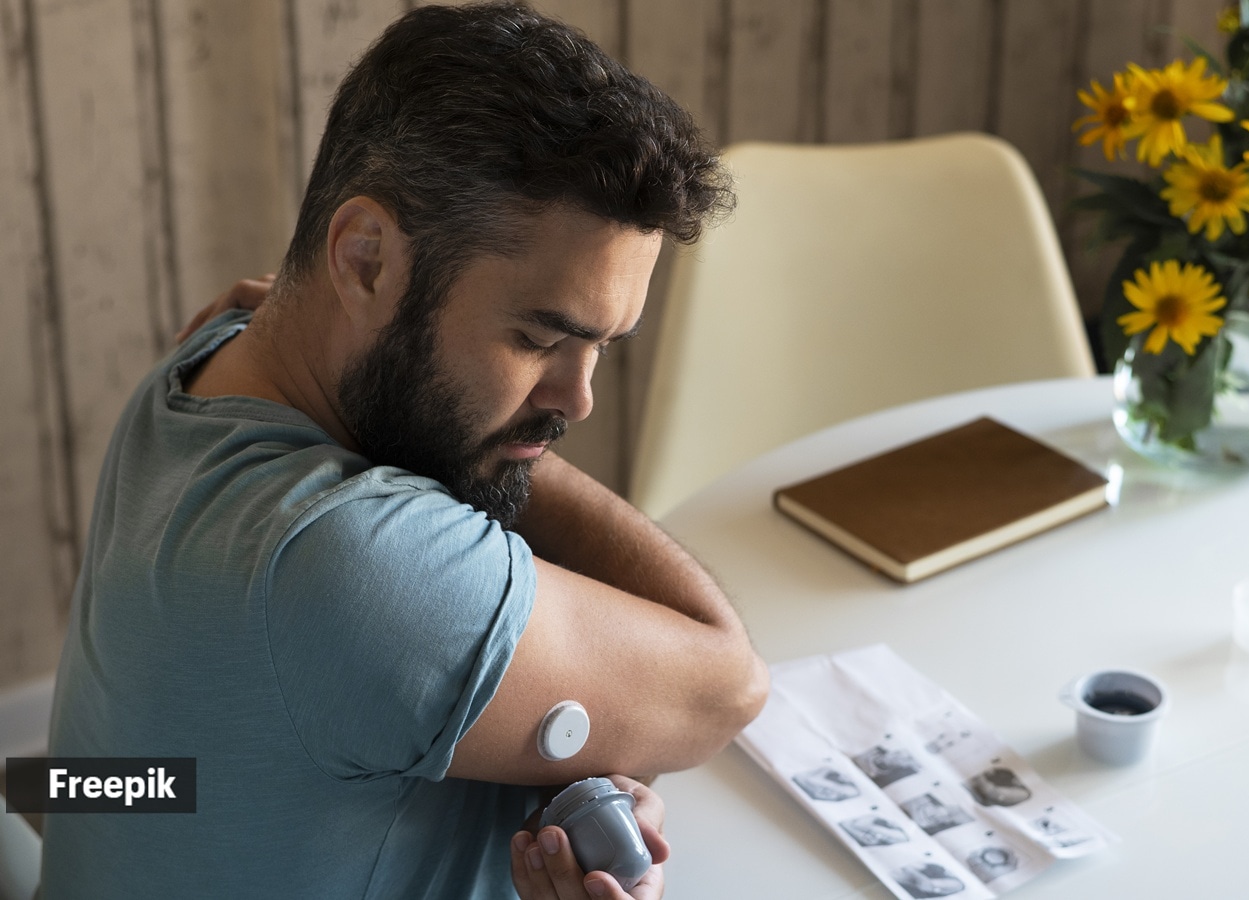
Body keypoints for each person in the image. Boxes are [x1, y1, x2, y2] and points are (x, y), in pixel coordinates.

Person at [40, 4, 767, 899]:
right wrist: (506, 455)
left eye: (601, 347)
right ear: (366, 261)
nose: (576, 400)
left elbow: (140, 781)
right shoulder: (345, 561)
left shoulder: (208, 359)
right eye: (541, 338)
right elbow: (724, 685)